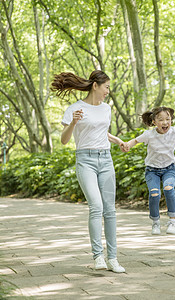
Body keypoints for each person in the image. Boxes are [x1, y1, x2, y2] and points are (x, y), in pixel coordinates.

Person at [52, 71, 126, 273]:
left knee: (110, 210)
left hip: (106, 159)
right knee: (96, 206)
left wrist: (117, 140)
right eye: (107, 87)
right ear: (96, 85)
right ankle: (98, 256)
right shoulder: (75, 108)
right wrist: (74, 123)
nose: (108, 92)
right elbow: (64, 140)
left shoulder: (106, 109)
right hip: (85, 160)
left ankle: (112, 258)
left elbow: (101, 132)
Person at [123, 107, 175, 235]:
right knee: (154, 194)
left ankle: (172, 222)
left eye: (168, 119)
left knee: (169, 188)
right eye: (161, 120)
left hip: (169, 168)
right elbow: (136, 140)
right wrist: (127, 145)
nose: (165, 123)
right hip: (152, 170)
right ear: (154, 121)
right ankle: (156, 223)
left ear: (171, 120)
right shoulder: (149, 134)